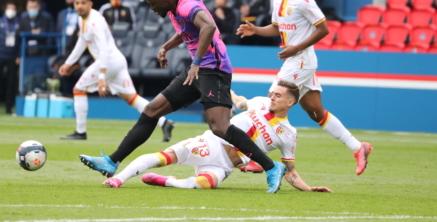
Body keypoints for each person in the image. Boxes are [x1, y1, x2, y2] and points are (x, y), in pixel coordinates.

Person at [79, 0, 286, 194]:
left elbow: (208, 26)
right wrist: (166, 46)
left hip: (213, 69)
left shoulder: (187, 5)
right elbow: (187, 30)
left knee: (220, 127)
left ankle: (272, 167)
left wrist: (196, 63)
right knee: (151, 110)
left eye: (153, 3)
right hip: (197, 70)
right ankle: (112, 161)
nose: (152, 8)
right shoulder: (173, 9)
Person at [237, 0, 372, 176]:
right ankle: (358, 147)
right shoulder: (277, 0)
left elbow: (324, 29)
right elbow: (276, 28)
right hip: (296, 61)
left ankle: (258, 158)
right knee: (316, 112)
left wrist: (296, 48)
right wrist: (256, 30)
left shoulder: (304, 1)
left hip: (300, 61)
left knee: (271, 104)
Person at [103, 81, 332, 193]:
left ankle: (165, 181)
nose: (272, 97)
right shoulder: (259, 101)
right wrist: (224, 89)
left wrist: (309, 188)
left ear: (290, 102)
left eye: (278, 96)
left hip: (226, 165)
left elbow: (290, 170)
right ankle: (118, 179)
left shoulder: (289, 135)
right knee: (163, 156)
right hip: (212, 143)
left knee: (202, 185)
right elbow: (239, 102)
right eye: (272, 93)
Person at [58, 0, 175, 141]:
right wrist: (68, 63)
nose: (79, 6)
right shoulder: (83, 20)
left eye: (83, 3)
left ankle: (80, 132)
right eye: (77, 3)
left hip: (108, 62)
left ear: (90, 4)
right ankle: (165, 122)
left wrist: (101, 77)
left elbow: (104, 50)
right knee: (132, 98)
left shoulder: (96, 22)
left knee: (78, 89)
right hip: (116, 62)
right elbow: (82, 42)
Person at [0, 2, 20, 114]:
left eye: (13, 8)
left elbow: (21, 40)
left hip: (12, 57)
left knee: (11, 84)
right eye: (9, 8)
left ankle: (8, 107)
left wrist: (19, 55)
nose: (11, 11)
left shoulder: (19, 22)